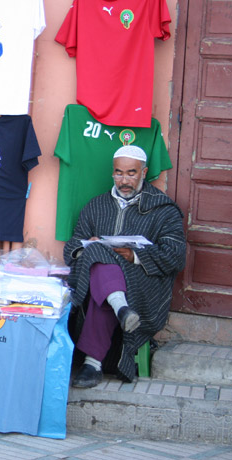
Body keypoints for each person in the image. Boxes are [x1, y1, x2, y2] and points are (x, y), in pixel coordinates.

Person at [64, 145, 186, 388]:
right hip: (103, 286)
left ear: (144, 172)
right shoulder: (96, 206)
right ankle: (120, 309)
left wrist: (134, 255)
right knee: (99, 255)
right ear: (112, 173)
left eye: (131, 173)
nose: (124, 180)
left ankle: (92, 365)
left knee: (103, 279)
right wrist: (89, 246)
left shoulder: (163, 210)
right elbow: (71, 249)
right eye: (119, 173)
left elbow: (175, 256)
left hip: (142, 285)